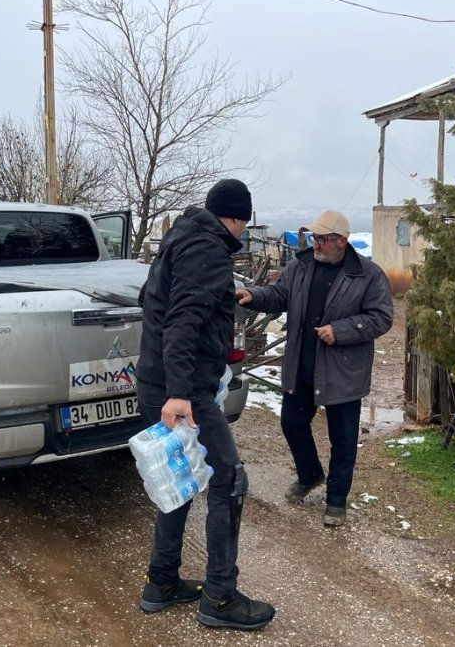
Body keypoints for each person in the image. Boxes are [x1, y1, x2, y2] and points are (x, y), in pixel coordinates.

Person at [136, 178, 276, 631]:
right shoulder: (208, 248)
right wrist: (179, 393)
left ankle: (161, 582)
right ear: (239, 218)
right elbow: (182, 320)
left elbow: (154, 300)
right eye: (245, 223)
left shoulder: (181, 236)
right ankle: (219, 596)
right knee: (228, 479)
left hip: (162, 380)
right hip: (184, 390)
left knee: (179, 476)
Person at [236, 210, 393, 527]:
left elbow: (381, 317)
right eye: (315, 238)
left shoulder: (368, 274)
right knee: (292, 423)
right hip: (302, 364)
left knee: (343, 440)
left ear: (341, 242)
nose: (316, 244)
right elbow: (280, 295)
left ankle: (336, 501)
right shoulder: (301, 265)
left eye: (322, 239)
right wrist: (252, 295)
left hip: (342, 371)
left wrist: (341, 330)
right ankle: (310, 475)